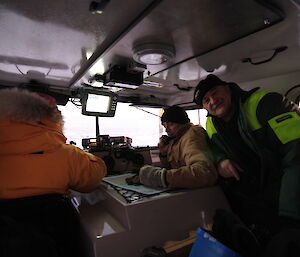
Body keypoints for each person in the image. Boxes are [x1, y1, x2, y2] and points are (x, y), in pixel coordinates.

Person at [194, 74, 300, 244]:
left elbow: (296, 155)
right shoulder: (211, 124)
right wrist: (220, 160)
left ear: (228, 88)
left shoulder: (265, 104)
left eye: (215, 92)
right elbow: (211, 149)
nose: (212, 101)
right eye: (206, 100)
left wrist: (290, 213)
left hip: (288, 192)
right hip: (258, 196)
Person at [0, 88, 107, 257]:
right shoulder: (66, 154)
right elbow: (93, 178)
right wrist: (81, 153)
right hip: (54, 240)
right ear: (52, 118)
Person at [138, 105, 217, 189]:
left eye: (171, 124)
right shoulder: (175, 139)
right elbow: (171, 168)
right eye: (165, 126)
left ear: (182, 122)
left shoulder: (192, 134)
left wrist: (163, 177)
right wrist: (163, 154)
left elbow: (204, 173)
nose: (167, 130)